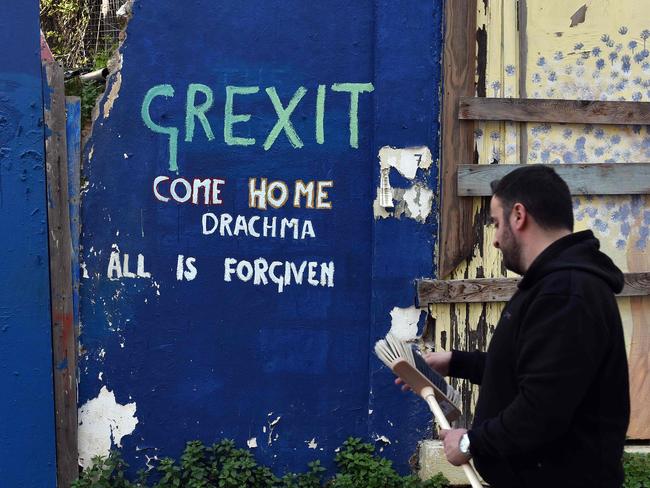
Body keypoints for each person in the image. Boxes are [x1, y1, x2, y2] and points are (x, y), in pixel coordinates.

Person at [400, 165, 630, 487]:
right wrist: (453, 361)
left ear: (518, 215)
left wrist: (470, 442)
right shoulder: (554, 285)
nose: (494, 240)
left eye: (495, 223)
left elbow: (542, 409)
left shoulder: (566, 292)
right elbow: (530, 371)